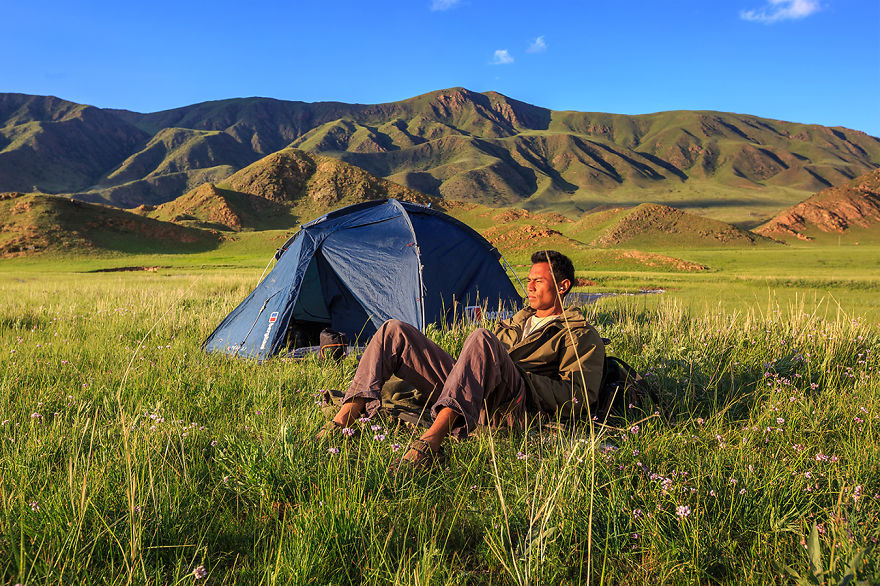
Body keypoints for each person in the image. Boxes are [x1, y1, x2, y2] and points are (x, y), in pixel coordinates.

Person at [318, 250, 606, 468]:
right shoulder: (514, 322)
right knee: (393, 330)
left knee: (481, 337)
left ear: (563, 286)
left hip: (512, 404)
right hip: (476, 393)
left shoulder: (578, 334)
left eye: (538, 281)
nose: (529, 287)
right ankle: (343, 419)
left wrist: (522, 379)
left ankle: (431, 441)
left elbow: (580, 396)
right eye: (528, 280)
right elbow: (478, 363)